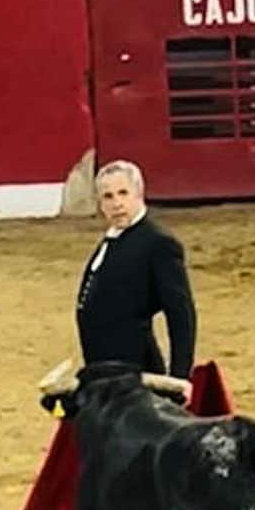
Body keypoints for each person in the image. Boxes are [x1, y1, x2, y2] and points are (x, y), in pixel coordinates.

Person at [75, 160, 197, 381]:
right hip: (105, 372)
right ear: (100, 204)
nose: (117, 203)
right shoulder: (114, 238)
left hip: (136, 373)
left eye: (123, 193)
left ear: (139, 194)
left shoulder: (158, 243)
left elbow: (181, 314)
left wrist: (180, 377)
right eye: (108, 197)